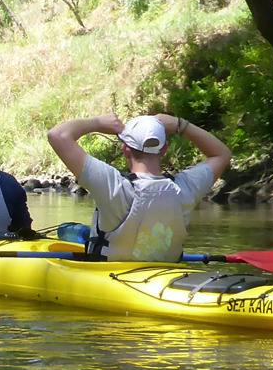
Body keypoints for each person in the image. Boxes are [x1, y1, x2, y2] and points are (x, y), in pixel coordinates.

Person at [47, 112, 232, 262]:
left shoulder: (112, 185)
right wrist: (180, 125)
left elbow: (58, 135)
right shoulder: (186, 187)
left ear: (125, 149)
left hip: (111, 277)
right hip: (166, 274)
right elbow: (222, 155)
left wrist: (97, 122)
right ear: (164, 150)